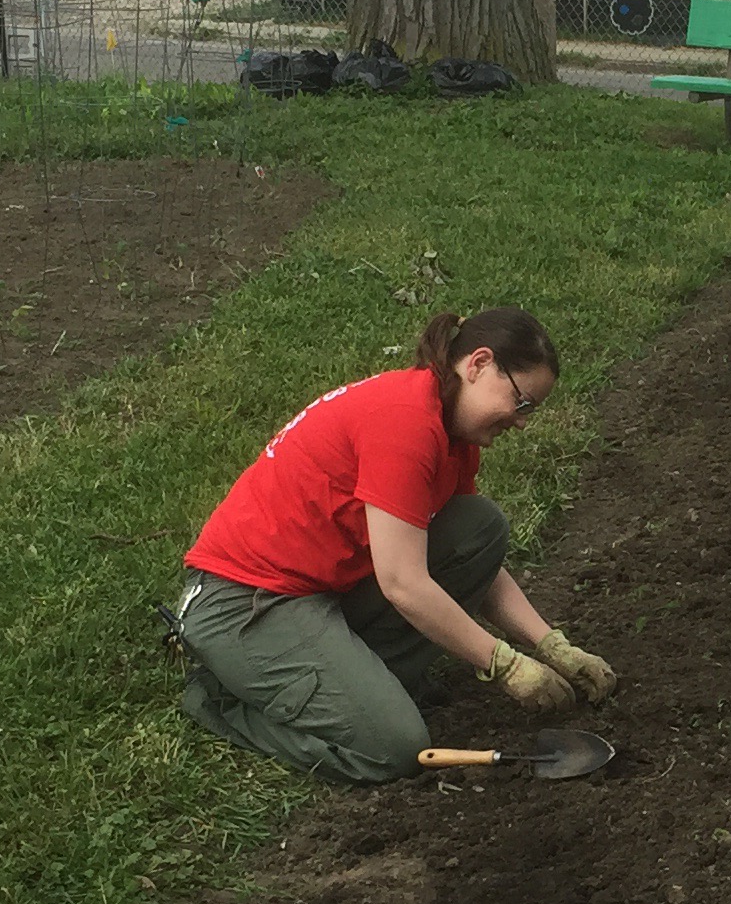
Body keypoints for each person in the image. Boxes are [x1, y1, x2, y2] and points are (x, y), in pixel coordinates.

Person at [174, 307, 618, 784]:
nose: (523, 422)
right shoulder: (404, 422)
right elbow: (403, 583)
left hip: (322, 593)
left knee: (478, 527)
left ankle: (346, 682)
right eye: (522, 402)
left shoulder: (452, 431)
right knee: (394, 748)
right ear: (478, 364)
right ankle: (222, 699)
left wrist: (550, 644)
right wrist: (503, 663)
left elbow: (470, 560)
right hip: (245, 604)